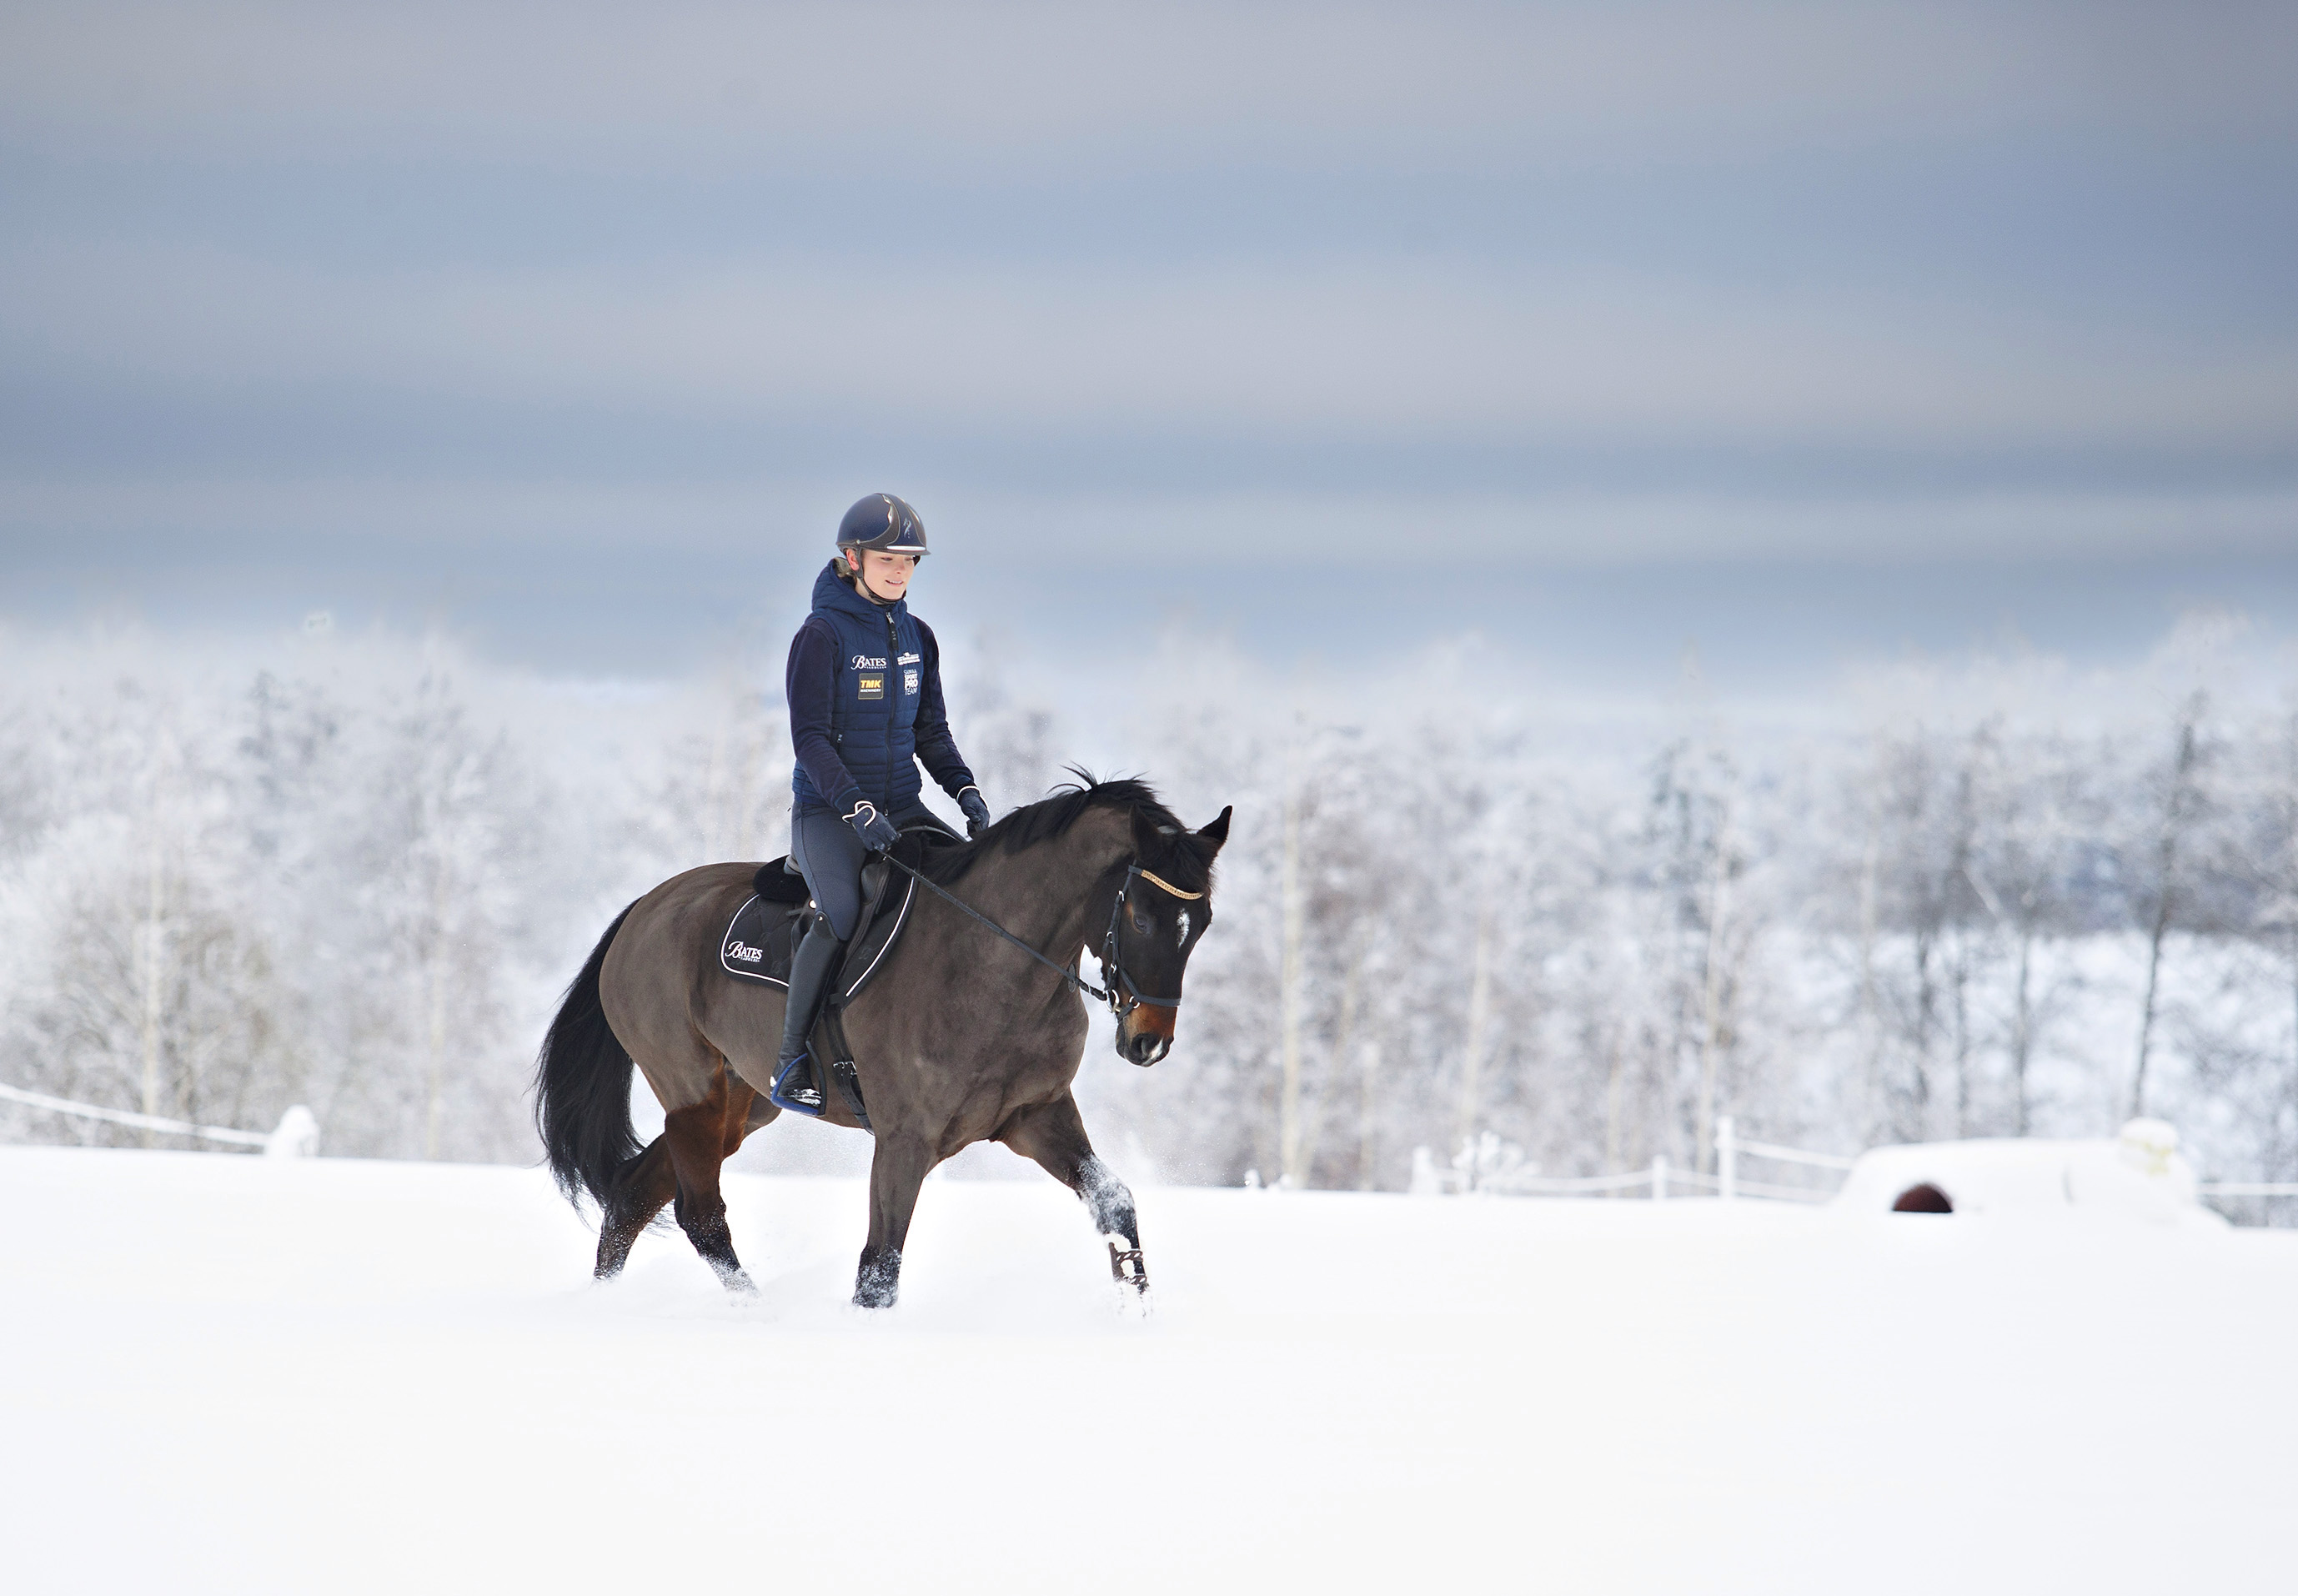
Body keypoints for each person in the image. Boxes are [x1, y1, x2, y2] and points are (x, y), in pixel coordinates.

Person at [773, 492, 992, 1116]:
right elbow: (810, 739)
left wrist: (965, 789)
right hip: (829, 813)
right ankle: (791, 1059)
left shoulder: (919, 637)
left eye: (910, 561)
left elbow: (931, 732)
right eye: (887, 559)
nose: (900, 572)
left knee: (972, 894)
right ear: (853, 559)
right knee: (843, 913)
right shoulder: (820, 636)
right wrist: (855, 808)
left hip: (902, 806)